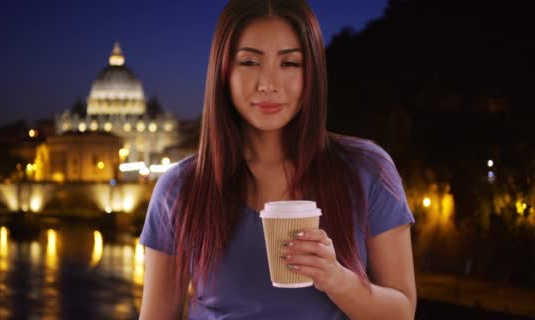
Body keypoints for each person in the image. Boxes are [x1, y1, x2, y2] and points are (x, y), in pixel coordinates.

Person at [139, 0, 417, 319]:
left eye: (289, 64)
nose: (268, 84)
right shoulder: (180, 189)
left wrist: (337, 280)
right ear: (223, 72)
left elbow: (402, 312)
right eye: (249, 62)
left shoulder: (368, 170)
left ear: (312, 73)